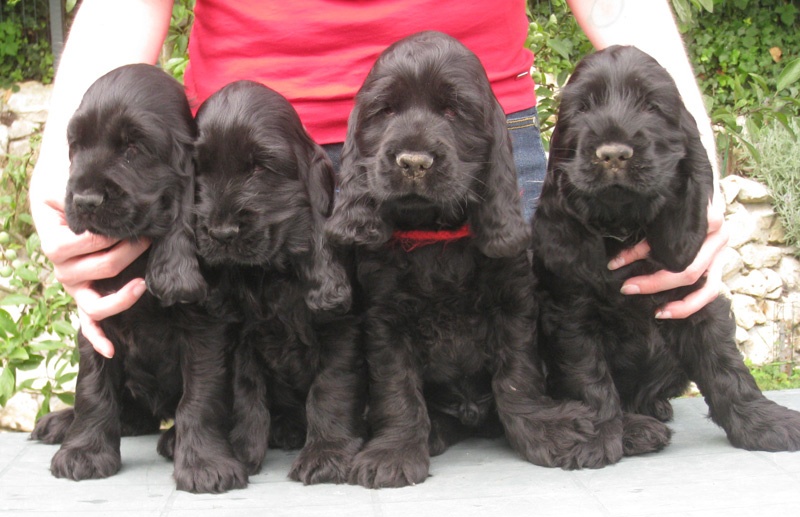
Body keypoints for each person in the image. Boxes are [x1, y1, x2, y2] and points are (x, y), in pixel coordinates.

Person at [29, 0, 729, 358]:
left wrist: (690, 157)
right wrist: (80, 163)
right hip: (242, 164)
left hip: (475, 152)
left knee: (519, 411)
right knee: (241, 423)